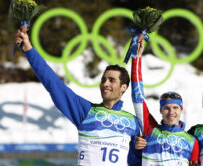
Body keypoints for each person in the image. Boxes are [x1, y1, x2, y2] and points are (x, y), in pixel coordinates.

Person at [16, 30, 141, 166]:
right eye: (103, 79)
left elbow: (137, 161)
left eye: (112, 80)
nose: (105, 84)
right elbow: (53, 84)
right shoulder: (86, 111)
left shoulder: (133, 122)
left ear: (124, 87)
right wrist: (29, 49)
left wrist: (139, 150)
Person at [131, 40, 199, 166]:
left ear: (181, 110)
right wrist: (137, 58)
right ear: (161, 111)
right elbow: (137, 96)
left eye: (175, 107)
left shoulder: (191, 142)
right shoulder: (150, 131)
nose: (171, 112)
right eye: (166, 108)